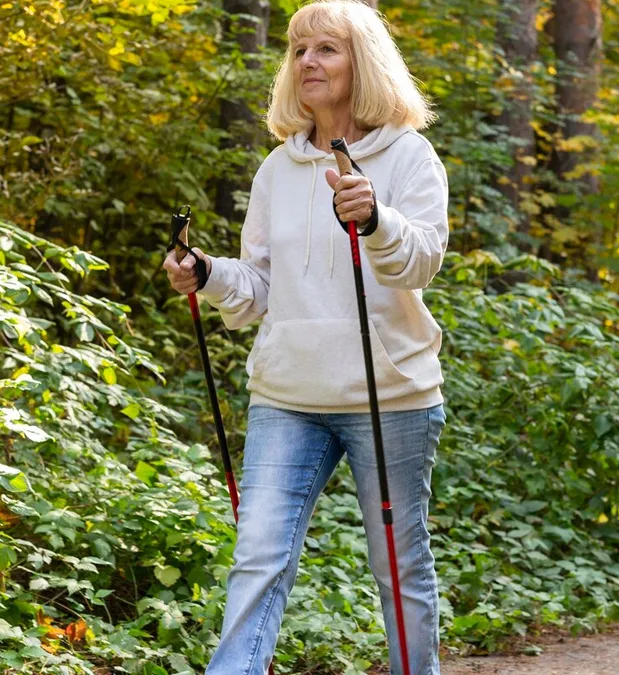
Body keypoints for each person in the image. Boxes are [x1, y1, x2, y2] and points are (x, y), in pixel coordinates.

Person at [162, 1, 449, 673]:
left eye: (327, 48)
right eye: (299, 50)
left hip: (393, 393)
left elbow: (422, 262)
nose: (308, 61)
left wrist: (376, 217)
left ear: (364, 63)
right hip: (288, 393)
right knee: (258, 553)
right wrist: (204, 273)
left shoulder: (410, 157)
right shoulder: (277, 170)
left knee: (398, 563)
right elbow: (262, 284)